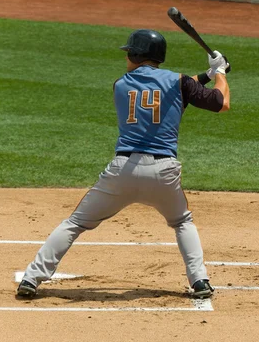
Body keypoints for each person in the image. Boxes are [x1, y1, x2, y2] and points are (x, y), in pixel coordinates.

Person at [16, 29, 231, 299]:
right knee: (182, 223)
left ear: (137, 55)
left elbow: (173, 90)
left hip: (122, 172)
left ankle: (31, 279)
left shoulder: (121, 84)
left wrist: (206, 75)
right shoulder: (179, 82)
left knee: (74, 224)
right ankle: (200, 281)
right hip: (163, 174)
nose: (126, 56)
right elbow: (219, 102)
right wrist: (220, 72)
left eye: (129, 52)